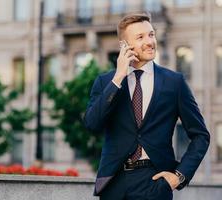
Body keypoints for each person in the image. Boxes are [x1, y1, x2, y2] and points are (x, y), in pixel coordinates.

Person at [84, 13, 210, 200]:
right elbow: (92, 124)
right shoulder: (105, 82)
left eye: (151, 34)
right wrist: (118, 78)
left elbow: (201, 136)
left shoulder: (174, 83)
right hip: (114, 184)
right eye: (140, 37)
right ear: (124, 45)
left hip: (155, 182)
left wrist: (179, 176)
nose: (150, 41)